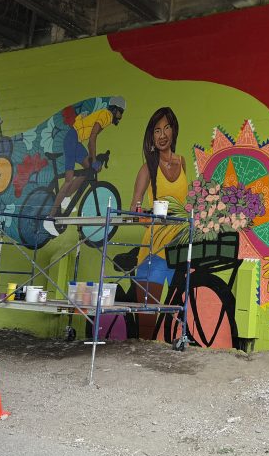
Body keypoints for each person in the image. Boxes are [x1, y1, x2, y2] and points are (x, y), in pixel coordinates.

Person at [128, 107, 187, 339]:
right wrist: (149, 218)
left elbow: (186, 202)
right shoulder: (148, 168)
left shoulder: (182, 162)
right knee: (147, 318)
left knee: (177, 311)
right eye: (157, 130)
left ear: (174, 131)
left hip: (179, 248)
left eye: (167, 128)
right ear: (151, 136)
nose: (162, 135)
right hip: (154, 249)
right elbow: (135, 209)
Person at [43, 96, 125, 237]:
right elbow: (92, 139)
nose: (121, 116)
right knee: (69, 179)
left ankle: (66, 197)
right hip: (72, 139)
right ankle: (49, 218)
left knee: (88, 172)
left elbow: (86, 125)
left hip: (77, 140)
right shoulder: (106, 115)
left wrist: (95, 160)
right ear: (115, 109)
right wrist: (94, 159)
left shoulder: (105, 117)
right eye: (121, 112)